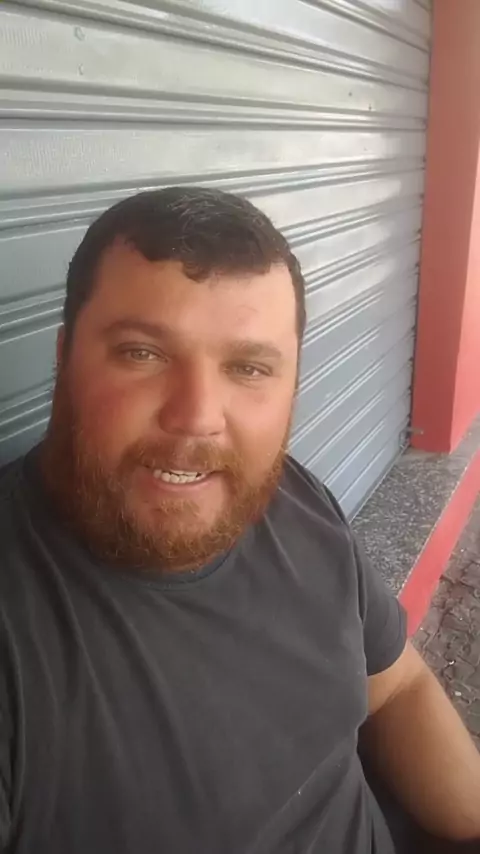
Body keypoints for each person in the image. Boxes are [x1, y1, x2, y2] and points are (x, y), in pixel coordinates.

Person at [0, 187, 479, 854]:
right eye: (142, 353)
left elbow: (397, 685)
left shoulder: (294, 497)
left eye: (248, 367)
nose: (197, 417)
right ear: (64, 355)